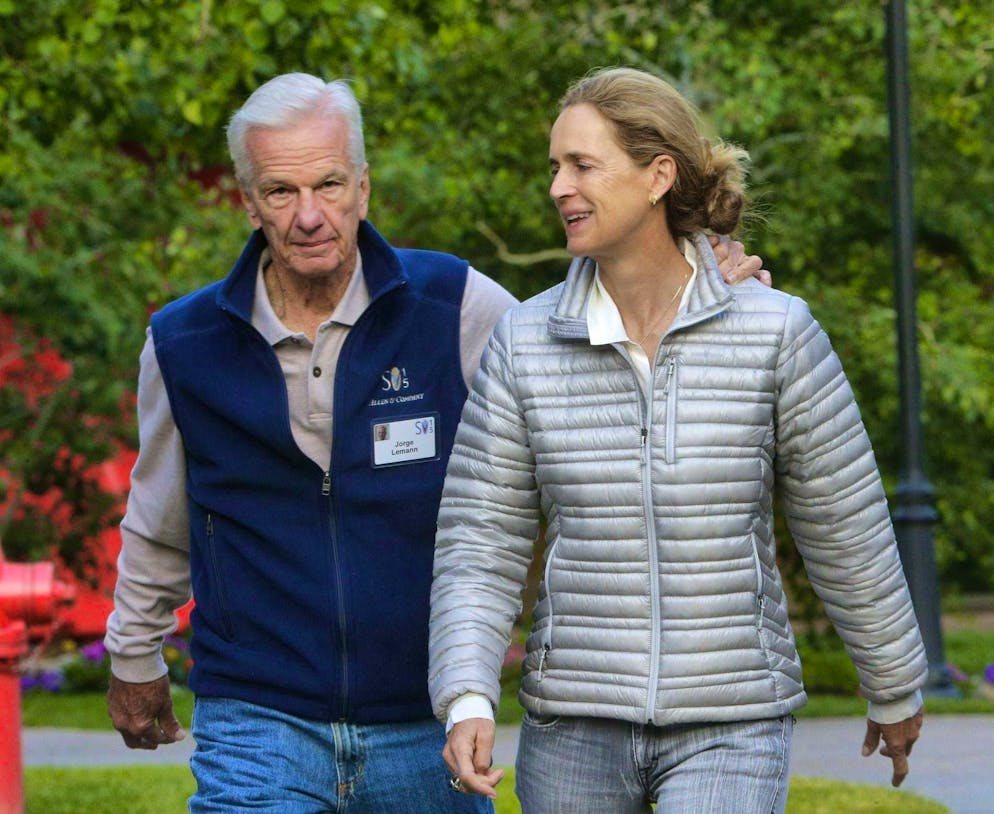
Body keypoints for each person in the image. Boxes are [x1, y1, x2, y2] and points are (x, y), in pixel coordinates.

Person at [103, 71, 767, 813]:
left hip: (427, 718)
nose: (309, 216)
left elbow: (590, 373)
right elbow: (158, 522)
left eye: (329, 185)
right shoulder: (184, 344)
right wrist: (133, 654)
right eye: (281, 192)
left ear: (363, 187)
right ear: (248, 200)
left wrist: (695, 290)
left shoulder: (455, 305)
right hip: (258, 714)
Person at [428, 67, 928, 814]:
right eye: (555, 166)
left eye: (583, 165)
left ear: (658, 175)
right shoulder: (523, 342)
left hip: (733, 718)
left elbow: (844, 520)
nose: (559, 187)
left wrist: (892, 683)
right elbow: (481, 538)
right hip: (573, 724)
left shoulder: (775, 332)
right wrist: (467, 694)